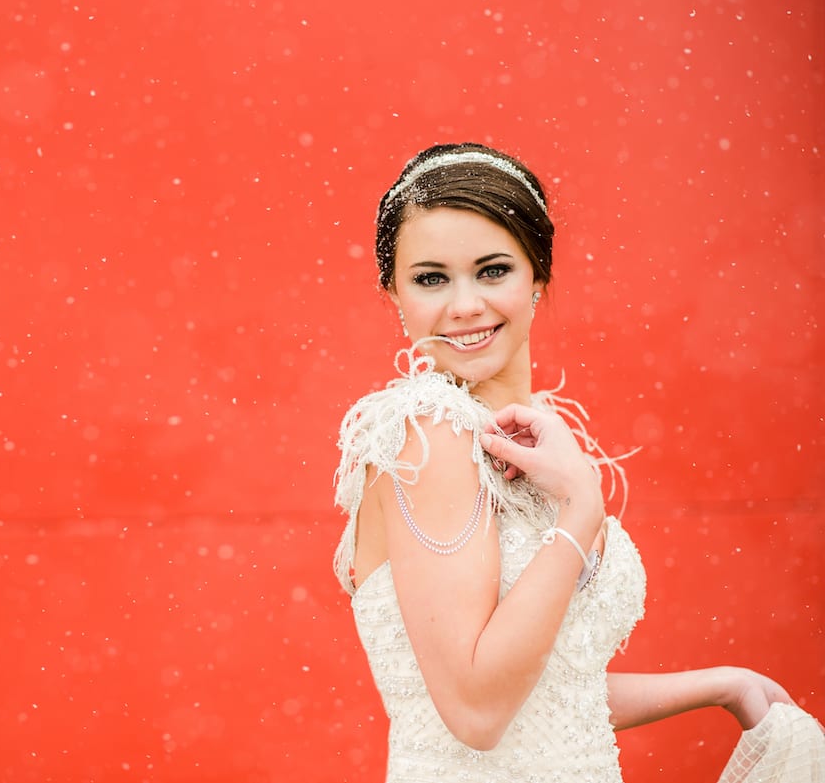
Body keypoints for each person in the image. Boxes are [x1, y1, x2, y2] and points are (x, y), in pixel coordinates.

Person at [332, 143, 824, 782]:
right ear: (392, 293)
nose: (464, 306)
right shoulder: (430, 436)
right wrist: (582, 508)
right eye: (431, 278)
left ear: (538, 275)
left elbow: (549, 700)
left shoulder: (524, 440)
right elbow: (477, 713)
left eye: (492, 270)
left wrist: (723, 685)